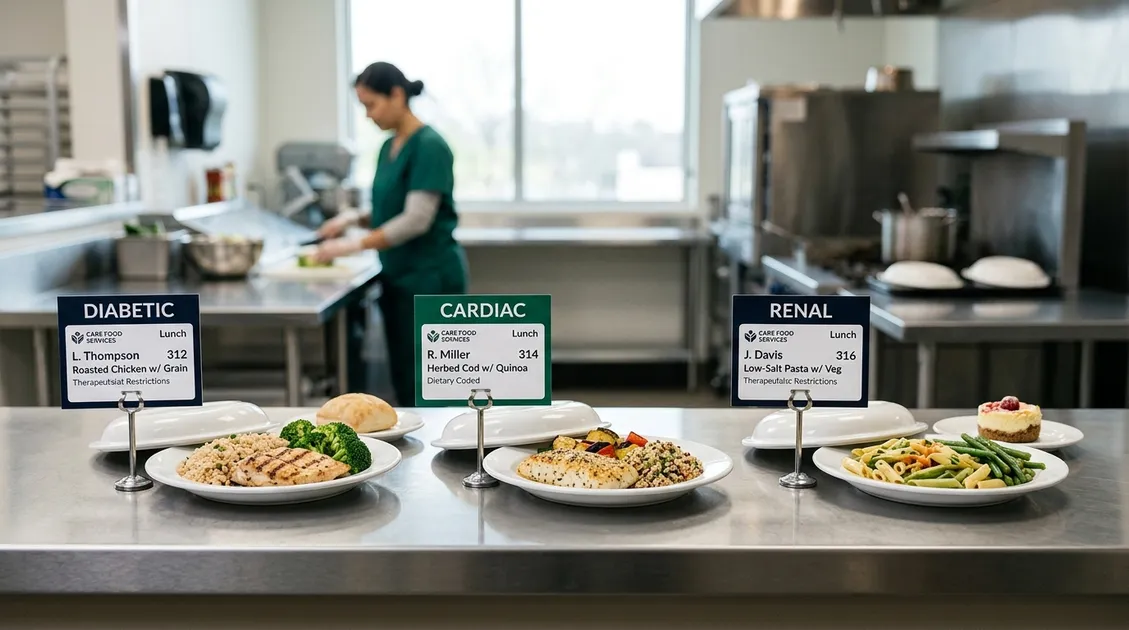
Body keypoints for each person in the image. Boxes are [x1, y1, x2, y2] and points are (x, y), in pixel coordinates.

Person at [314, 61, 467, 406]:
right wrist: (352, 219)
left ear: (397, 95)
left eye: (371, 104)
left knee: (433, 382)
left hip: (430, 278)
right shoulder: (389, 147)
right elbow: (390, 208)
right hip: (398, 278)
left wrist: (353, 245)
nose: (368, 115)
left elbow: (416, 219)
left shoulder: (430, 146)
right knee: (405, 377)